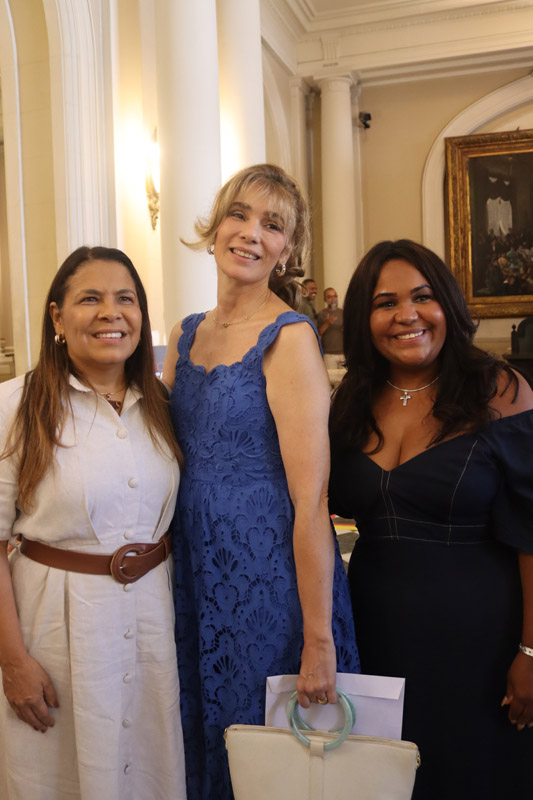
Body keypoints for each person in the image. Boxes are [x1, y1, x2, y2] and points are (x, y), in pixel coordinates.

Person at [163, 163, 360, 800]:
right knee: (202, 736)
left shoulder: (290, 337)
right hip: (193, 568)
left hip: (266, 580)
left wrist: (318, 639)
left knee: (265, 755)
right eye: (239, 215)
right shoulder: (183, 335)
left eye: (272, 224)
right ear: (216, 226)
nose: (251, 233)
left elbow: (312, 503)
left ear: (287, 248)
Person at [329, 238, 533, 800]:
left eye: (422, 297)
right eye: (384, 302)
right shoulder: (352, 398)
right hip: (373, 635)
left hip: (482, 640)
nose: (406, 315)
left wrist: (532, 650)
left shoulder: (500, 390)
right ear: (364, 320)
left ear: (447, 304)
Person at [0, 246, 186, 800]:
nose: (112, 312)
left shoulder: (161, 405)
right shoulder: (17, 405)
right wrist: (12, 661)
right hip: (54, 631)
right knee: (59, 777)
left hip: (151, 621)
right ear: (57, 317)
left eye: (125, 299)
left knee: (145, 770)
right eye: (90, 299)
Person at [317, 287, 344, 370]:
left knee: (345, 380)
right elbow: (319, 333)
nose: (333, 299)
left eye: (334, 296)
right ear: (325, 299)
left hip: (343, 353)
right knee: (331, 380)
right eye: (329, 297)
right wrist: (327, 323)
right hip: (329, 354)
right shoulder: (322, 314)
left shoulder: (343, 312)